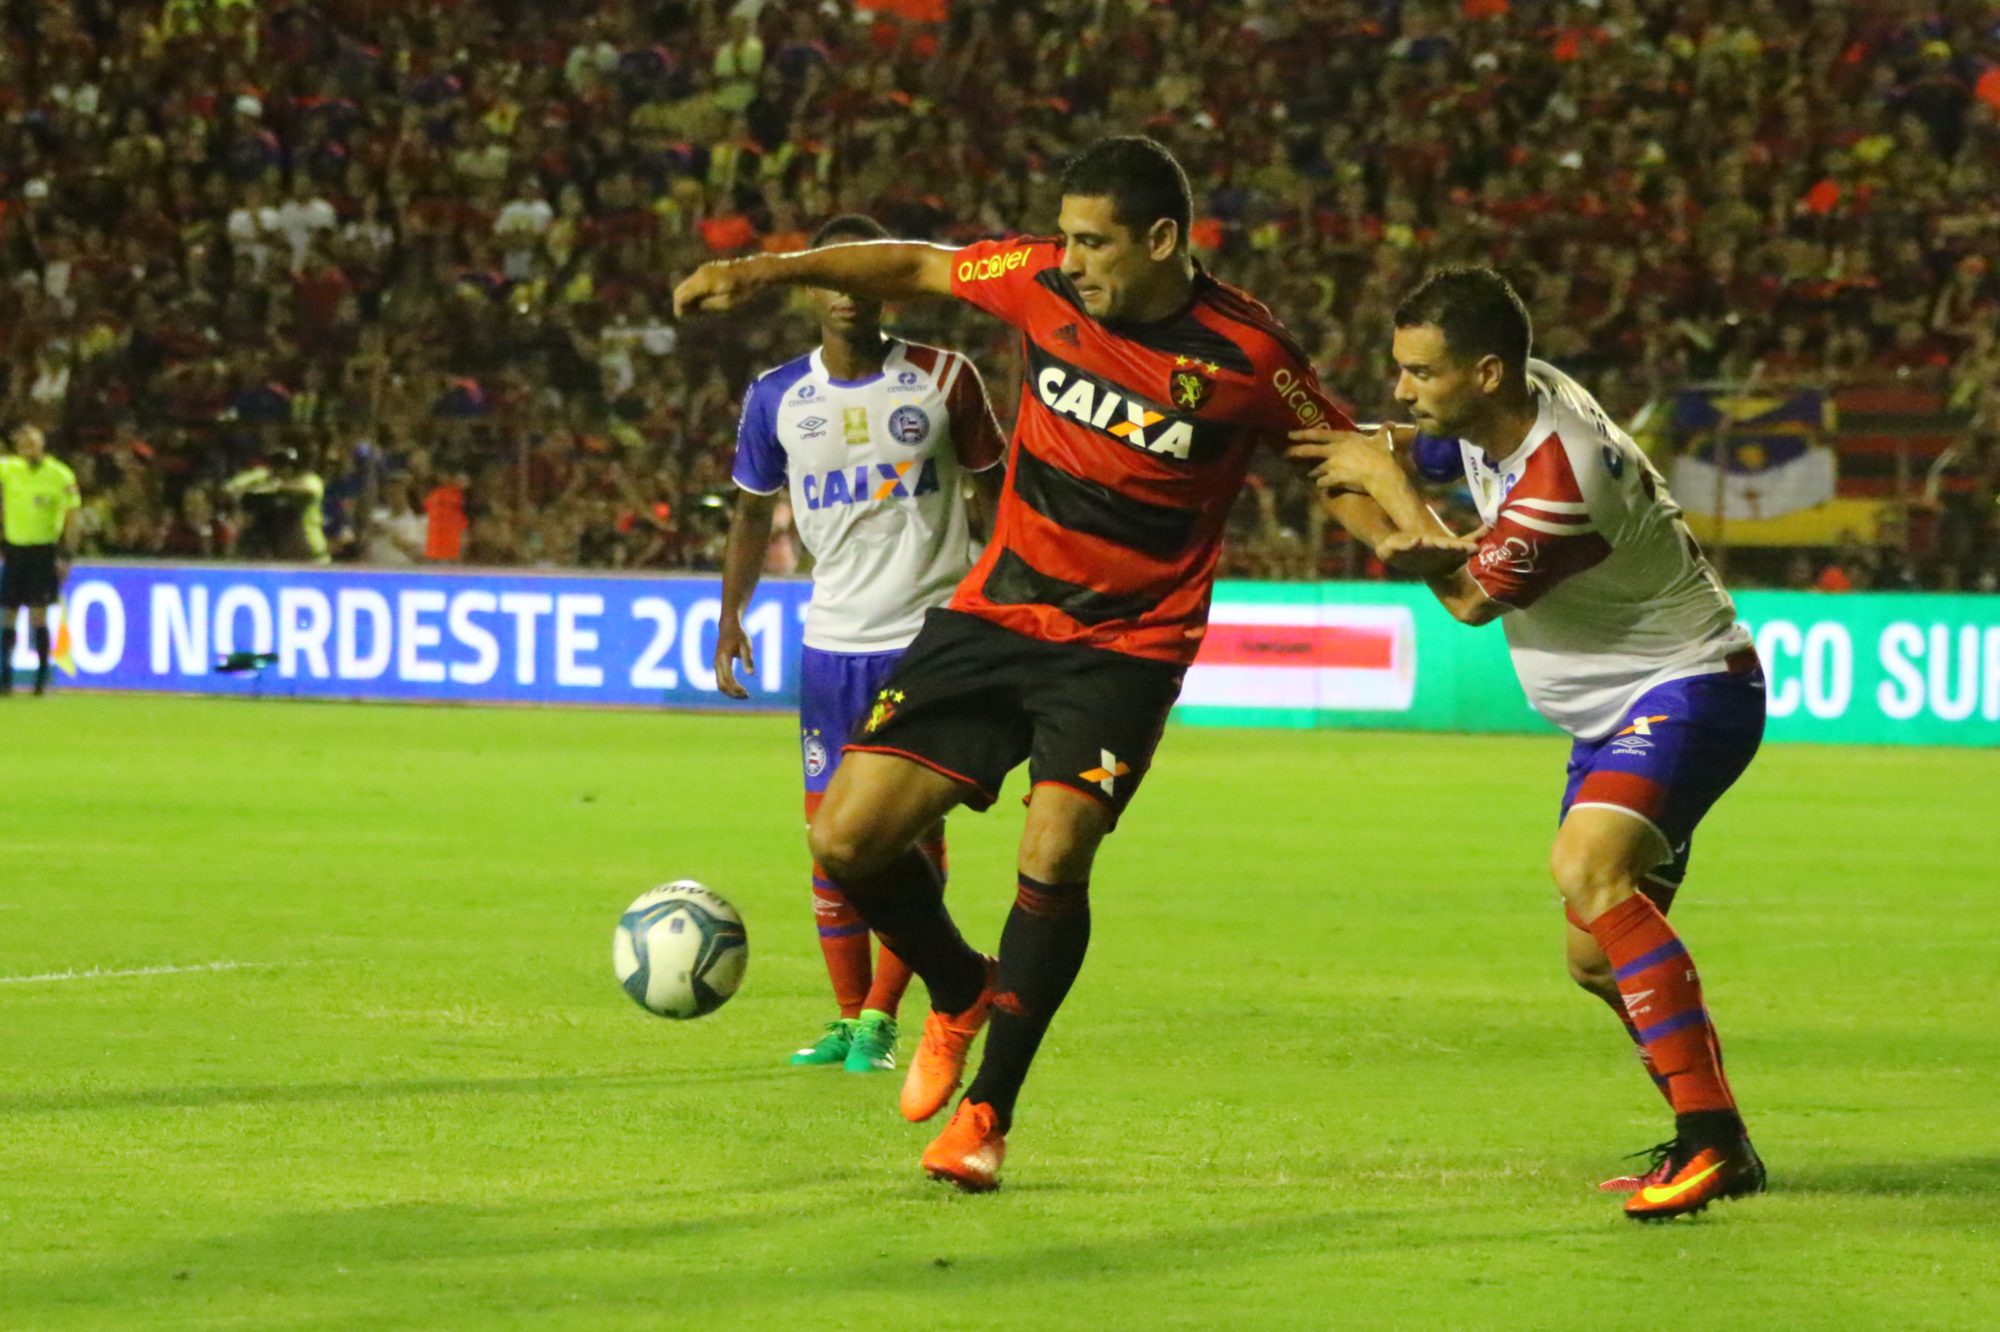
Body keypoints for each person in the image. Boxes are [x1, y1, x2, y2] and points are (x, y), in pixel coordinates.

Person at [676, 136, 1419, 1190]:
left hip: (1126, 642)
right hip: (1000, 612)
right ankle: (958, 985)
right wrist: (765, 272)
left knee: (1056, 842)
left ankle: (986, 1113)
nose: (1069, 260)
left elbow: (1328, 455)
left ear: (1161, 240)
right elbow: (918, 265)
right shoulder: (1035, 285)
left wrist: (1395, 532)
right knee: (844, 839)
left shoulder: (1248, 353)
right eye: (1064, 237)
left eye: (1092, 242)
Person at [1288, 267, 1766, 1222]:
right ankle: (1721, 1139)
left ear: (1490, 371)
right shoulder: (1515, 403)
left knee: (1588, 870)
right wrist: (1393, 449)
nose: (1404, 393)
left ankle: (1711, 1142)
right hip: (1611, 715)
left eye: (1422, 374)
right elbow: (1425, 451)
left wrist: (1385, 481)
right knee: (1594, 957)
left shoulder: (1565, 475)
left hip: (1688, 688)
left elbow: (1465, 600)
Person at [715, 213, 1007, 1074]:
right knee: (827, 841)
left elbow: (999, 497)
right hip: (831, 643)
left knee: (908, 839)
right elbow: (747, 512)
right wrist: (731, 613)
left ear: (884, 282)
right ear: (808, 287)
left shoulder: (945, 380)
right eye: (829, 279)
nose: (846, 295)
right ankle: (848, 1019)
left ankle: (883, 1017)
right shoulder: (777, 397)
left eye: (861, 278)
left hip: (927, 643)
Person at [0, 425, 82, 696]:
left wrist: (67, 554)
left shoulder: (59, 475)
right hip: (14, 551)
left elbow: (72, 517)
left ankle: (41, 677)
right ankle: (5, 676)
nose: (28, 447)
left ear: (42, 444)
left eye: (32, 442)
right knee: (8, 613)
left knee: (38, 615)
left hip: (43, 552)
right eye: (23, 443)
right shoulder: (10, 469)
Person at [222, 448, 329, 563]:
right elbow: (228, 489)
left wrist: (275, 488)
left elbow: (306, 490)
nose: (286, 470)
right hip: (272, 544)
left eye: (290, 467)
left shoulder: (309, 480)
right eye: (281, 466)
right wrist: (255, 489)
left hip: (309, 545)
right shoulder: (263, 476)